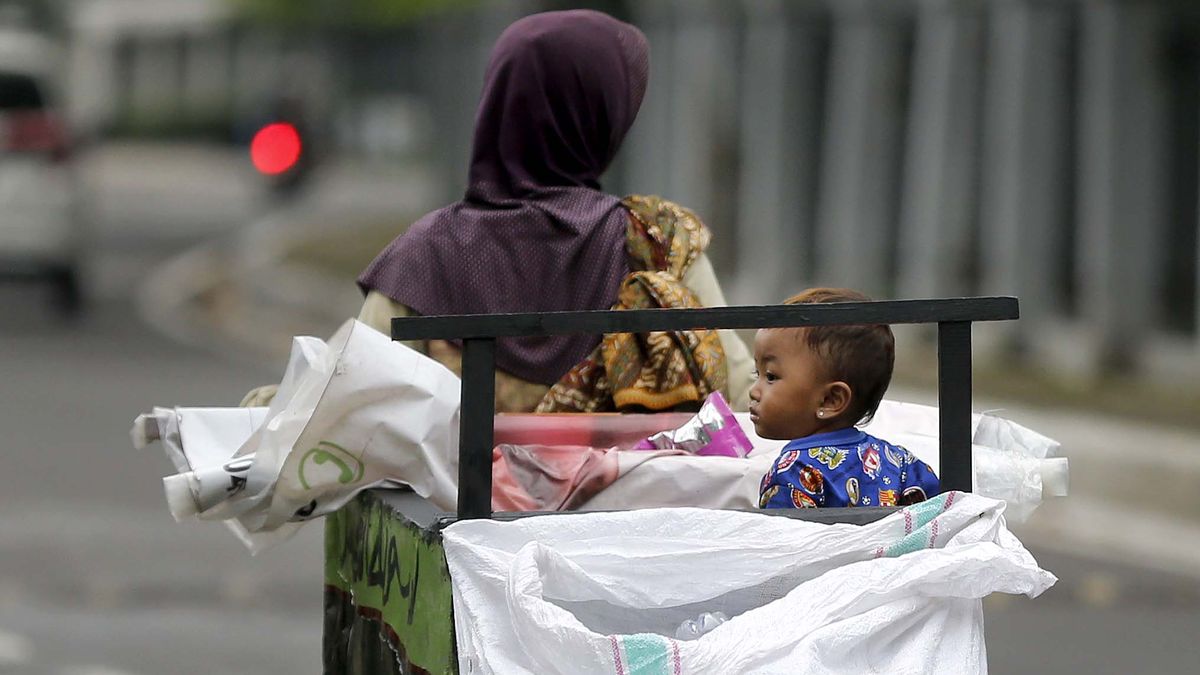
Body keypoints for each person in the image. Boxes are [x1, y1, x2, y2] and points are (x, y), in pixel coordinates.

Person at [348, 9, 753, 413]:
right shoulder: (655, 243)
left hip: (455, 479)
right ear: (600, 117)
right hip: (628, 479)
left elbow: (356, 410)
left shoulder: (426, 254)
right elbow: (741, 396)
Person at [753, 288, 939, 509]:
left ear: (831, 400)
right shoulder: (901, 462)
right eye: (757, 374)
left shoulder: (793, 474)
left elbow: (778, 542)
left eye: (771, 377)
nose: (754, 391)